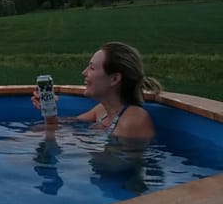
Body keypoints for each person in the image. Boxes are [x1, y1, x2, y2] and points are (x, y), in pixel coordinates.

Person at [32, 42, 162, 139]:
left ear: (114, 79)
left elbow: (116, 167)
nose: (84, 72)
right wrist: (49, 112)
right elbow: (58, 126)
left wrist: (76, 142)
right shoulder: (102, 110)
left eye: (92, 68)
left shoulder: (133, 120)